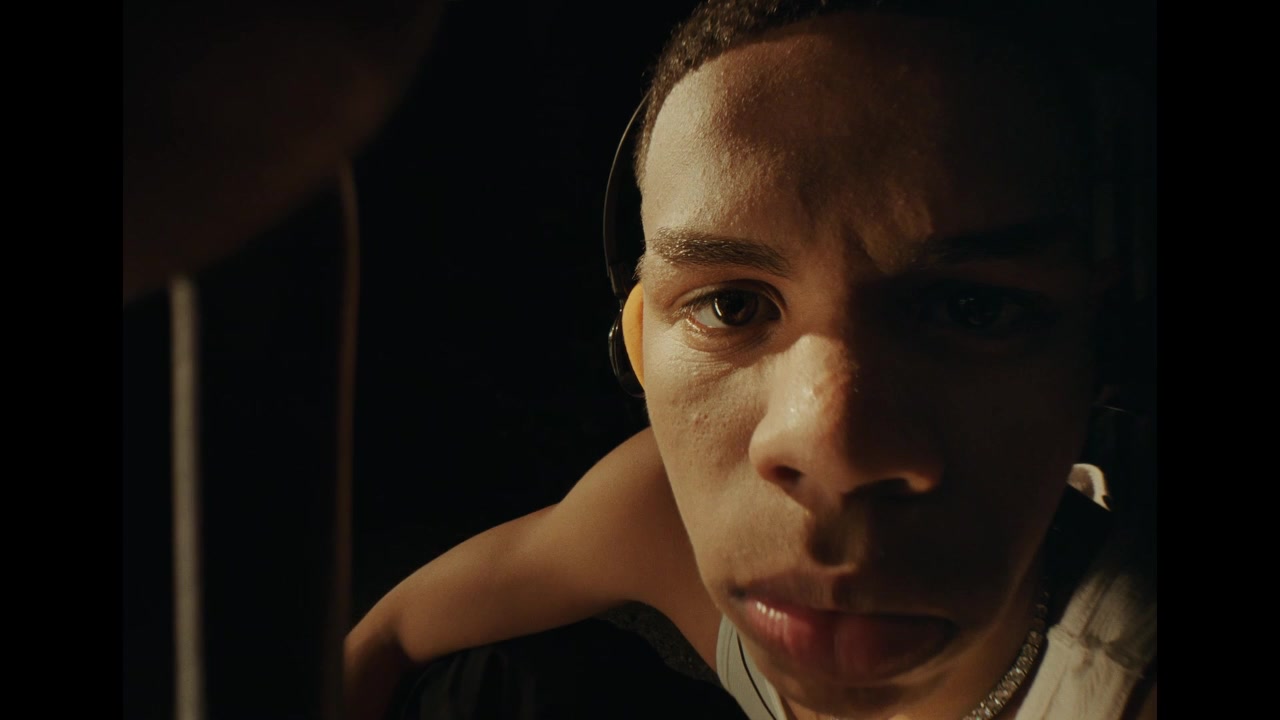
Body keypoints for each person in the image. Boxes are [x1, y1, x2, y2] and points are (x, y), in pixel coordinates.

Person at [344, 1, 1157, 719]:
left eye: (971, 308)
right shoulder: (654, 511)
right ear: (639, 345)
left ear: (1102, 352)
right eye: (732, 305)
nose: (833, 451)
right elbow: (392, 634)